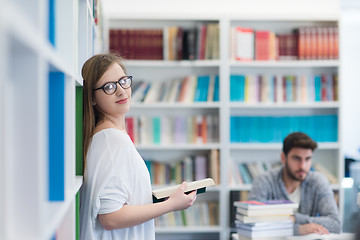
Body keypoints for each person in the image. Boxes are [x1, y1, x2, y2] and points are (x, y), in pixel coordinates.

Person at [79, 53, 197, 240]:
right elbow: (110, 218)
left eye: (123, 81)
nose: (121, 91)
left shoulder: (107, 137)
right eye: (109, 87)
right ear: (92, 98)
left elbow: (119, 199)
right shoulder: (113, 141)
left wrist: (158, 199)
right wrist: (170, 205)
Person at [248, 132, 341, 235]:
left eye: (307, 159)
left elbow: (335, 224)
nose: (303, 166)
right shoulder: (264, 181)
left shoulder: (318, 181)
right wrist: (298, 230)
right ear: (283, 158)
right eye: (296, 159)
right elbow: (252, 223)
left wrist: (294, 219)